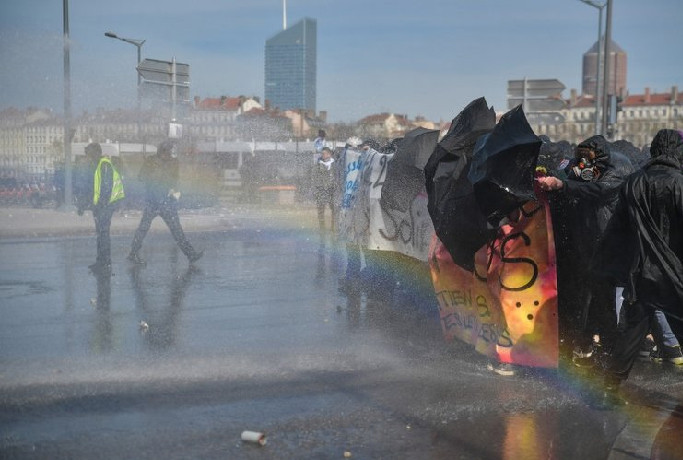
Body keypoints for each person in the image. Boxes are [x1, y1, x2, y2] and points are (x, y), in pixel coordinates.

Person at [596, 129, 683, 400]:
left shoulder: (634, 181)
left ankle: (609, 388)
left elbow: (617, 229)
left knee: (630, 334)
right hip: (675, 273)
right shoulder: (680, 183)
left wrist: (608, 264)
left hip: (641, 271)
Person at [537, 135, 634, 368]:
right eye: (580, 157)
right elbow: (572, 179)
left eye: (587, 157)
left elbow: (595, 190)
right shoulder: (581, 169)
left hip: (606, 247)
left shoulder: (615, 173)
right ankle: (584, 345)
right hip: (584, 247)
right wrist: (562, 175)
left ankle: (610, 349)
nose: (582, 162)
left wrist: (563, 184)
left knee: (603, 301)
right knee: (583, 300)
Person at [127, 140, 203, 265]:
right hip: (154, 201)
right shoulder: (151, 161)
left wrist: (174, 194)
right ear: (162, 151)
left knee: (176, 231)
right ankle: (133, 252)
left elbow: (174, 181)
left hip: (166, 202)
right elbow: (141, 177)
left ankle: (191, 254)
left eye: (170, 151)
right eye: (167, 151)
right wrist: (153, 177)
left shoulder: (173, 163)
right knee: (143, 229)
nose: (169, 154)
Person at [78, 142, 125, 274]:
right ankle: (101, 261)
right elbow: (90, 188)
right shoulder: (94, 165)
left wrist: (102, 205)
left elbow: (105, 186)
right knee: (101, 233)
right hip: (99, 206)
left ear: (96, 152)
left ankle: (105, 262)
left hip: (105, 205)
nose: (87, 155)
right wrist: (85, 205)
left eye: (89, 152)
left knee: (103, 233)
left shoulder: (104, 164)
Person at [311, 146, 337, 234]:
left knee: (334, 209)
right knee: (321, 210)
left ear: (329, 154)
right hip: (321, 190)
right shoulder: (318, 165)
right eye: (322, 153)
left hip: (332, 190)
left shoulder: (335, 164)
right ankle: (322, 228)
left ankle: (333, 228)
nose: (322, 155)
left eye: (324, 153)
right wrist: (316, 190)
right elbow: (314, 178)